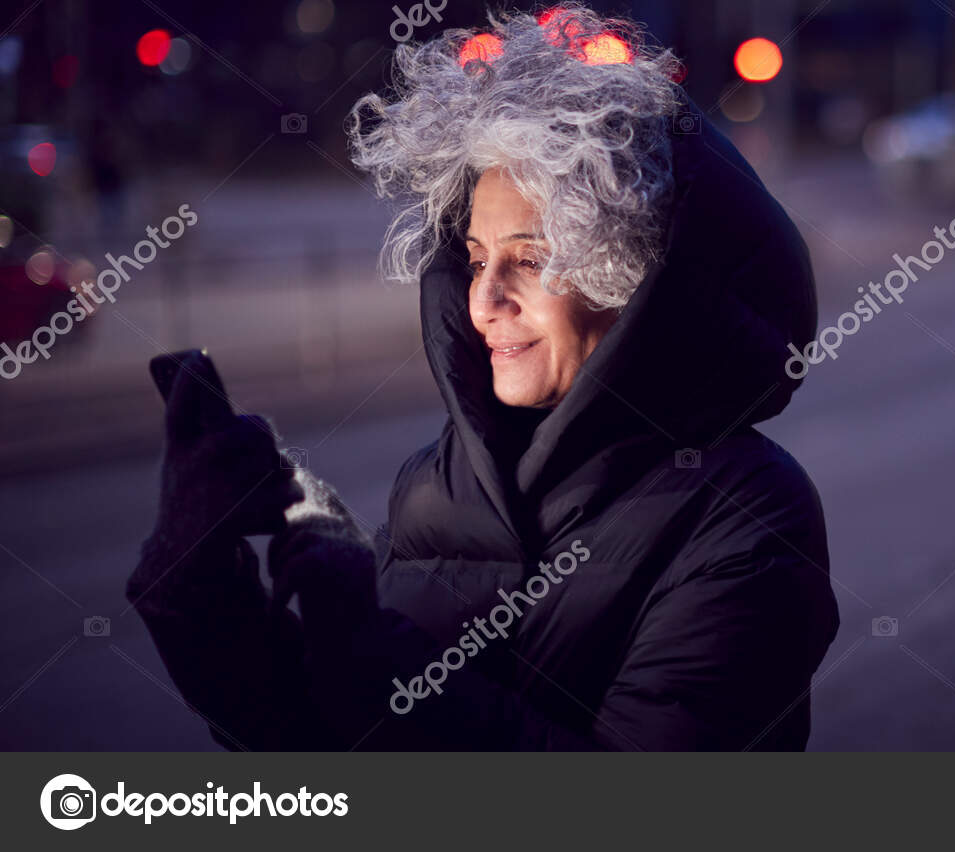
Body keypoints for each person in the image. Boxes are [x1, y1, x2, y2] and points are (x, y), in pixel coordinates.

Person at [125, 6, 839, 751]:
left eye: (528, 259)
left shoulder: (749, 517)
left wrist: (382, 661)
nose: (483, 301)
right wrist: (201, 589)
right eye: (474, 259)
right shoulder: (441, 480)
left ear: (637, 281)